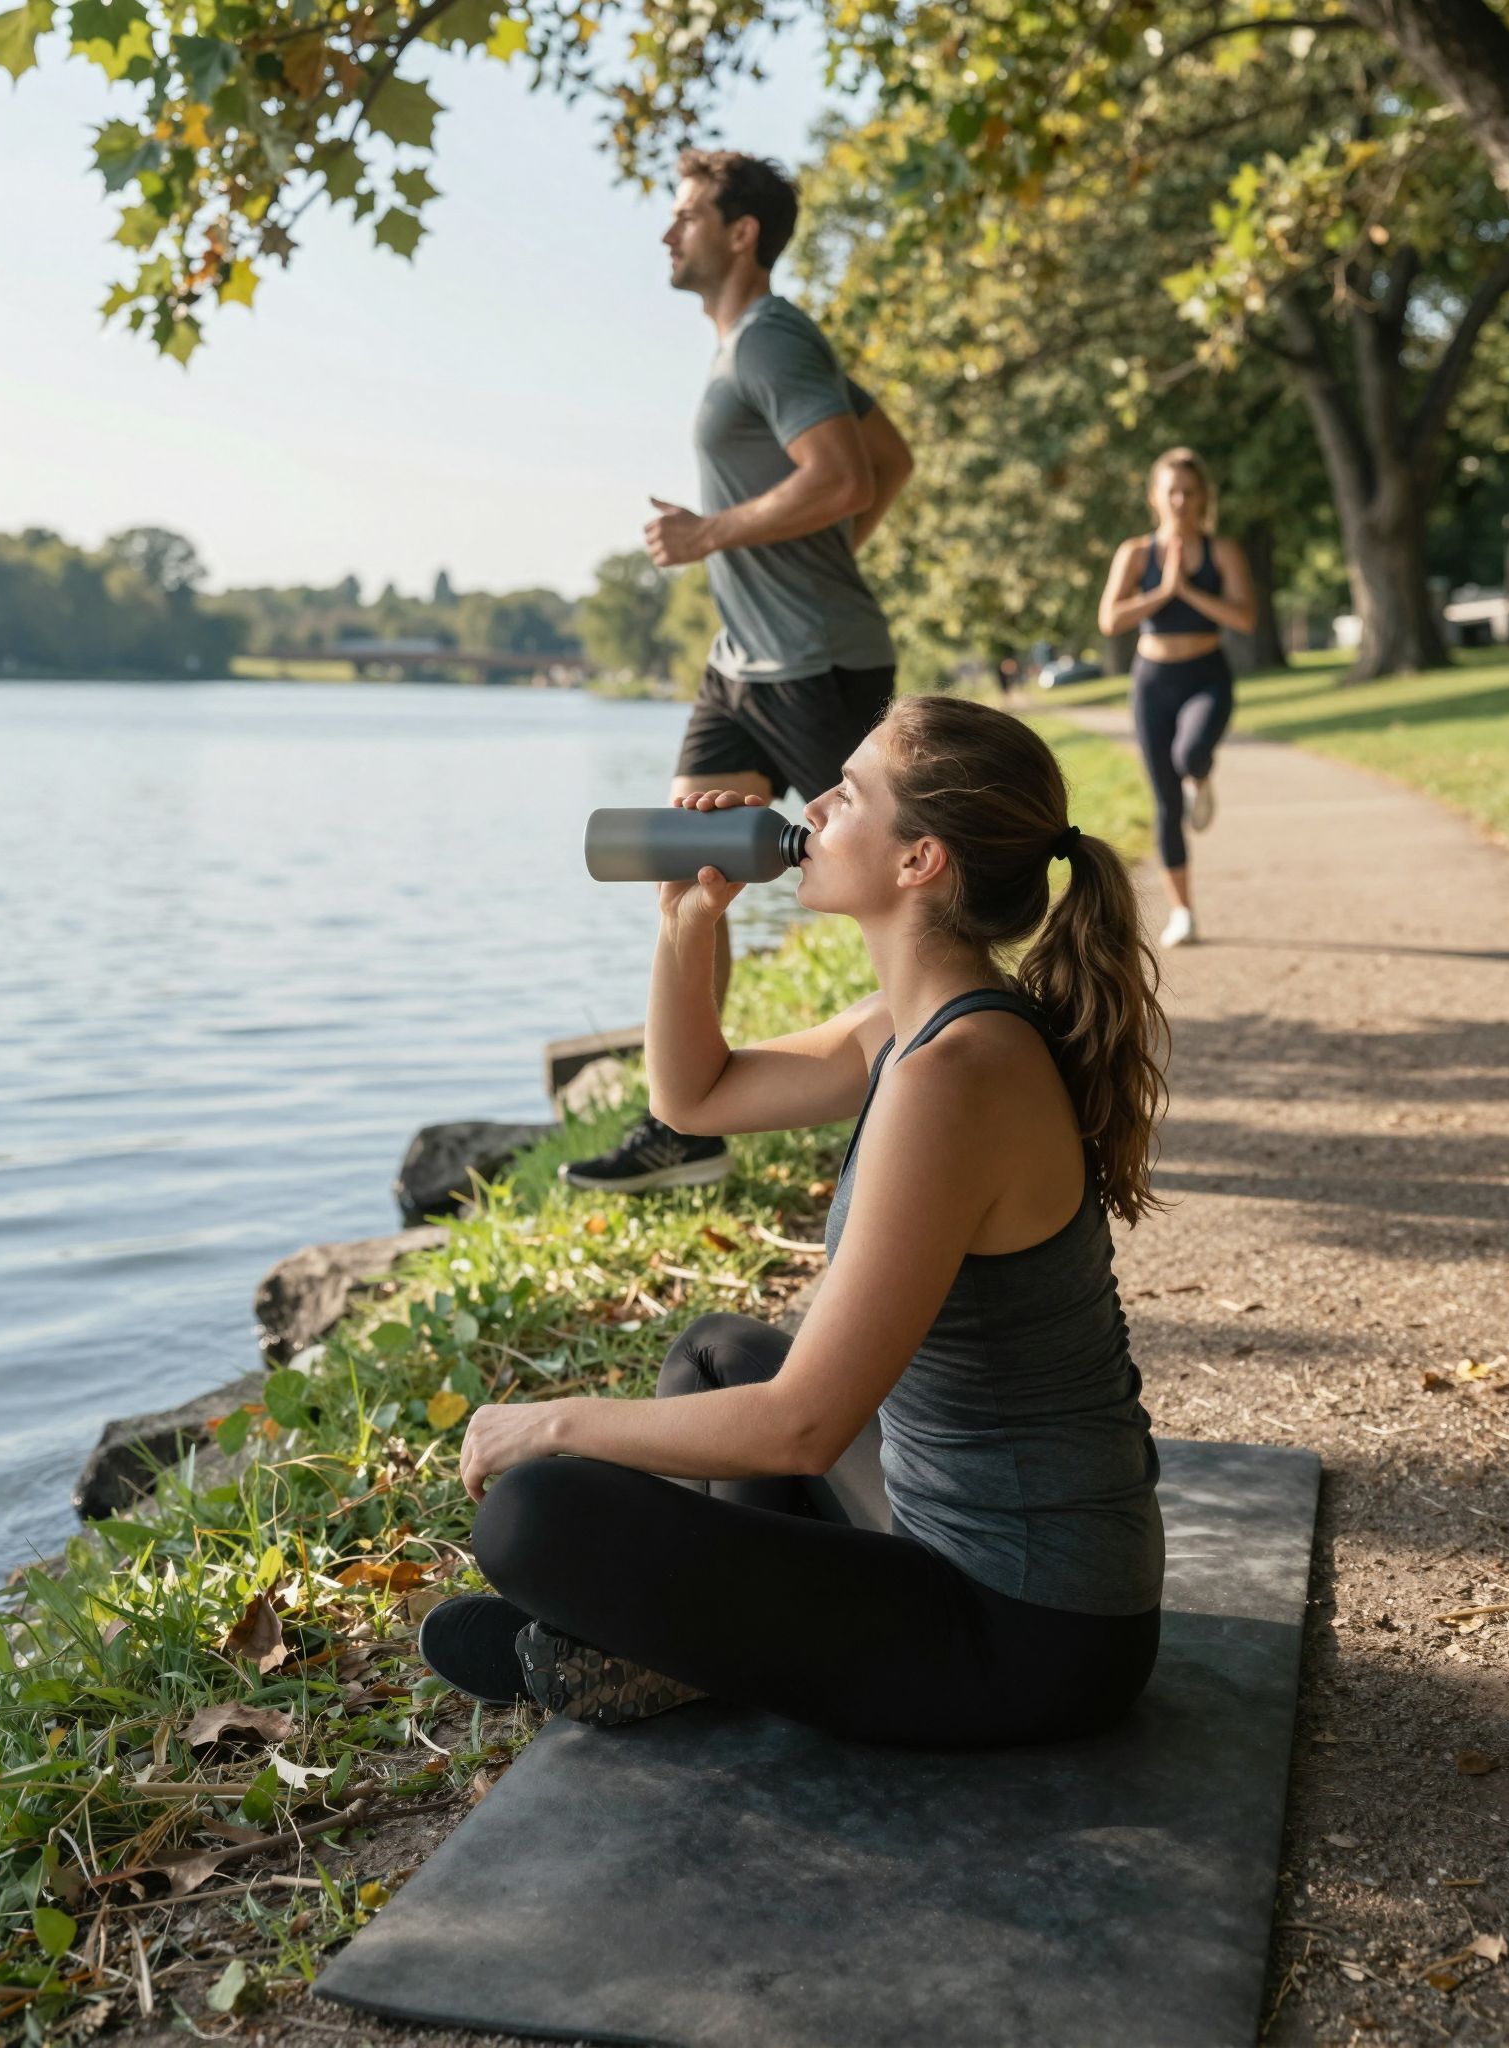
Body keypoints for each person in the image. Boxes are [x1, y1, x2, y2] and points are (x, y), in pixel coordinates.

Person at [417, 696, 1169, 1751]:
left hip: (1031, 1629)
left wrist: (550, 1422)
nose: (810, 806)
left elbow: (805, 1426)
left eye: (847, 793)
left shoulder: (956, 1077)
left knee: (531, 1513)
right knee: (716, 1352)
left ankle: (673, 1640)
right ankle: (684, 1637)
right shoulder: (914, 1026)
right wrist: (687, 921)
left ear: (919, 861)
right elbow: (693, 1098)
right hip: (941, 1524)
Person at [560, 148, 915, 1195]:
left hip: (816, 660)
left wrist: (712, 533)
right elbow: (888, 460)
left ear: (741, 231)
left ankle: (959, 1063)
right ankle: (686, 1120)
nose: (668, 233)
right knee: (687, 856)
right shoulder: (746, 349)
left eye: (685, 215)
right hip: (741, 665)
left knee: (900, 875)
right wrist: (812, 556)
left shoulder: (773, 338)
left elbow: (845, 476)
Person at [1098, 448, 1256, 948]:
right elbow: (1111, 620)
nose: (1181, 501)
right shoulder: (1135, 553)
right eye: (1172, 492)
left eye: (1190, 491)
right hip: (1152, 682)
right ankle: (1183, 912)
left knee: (1190, 754)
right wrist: (1163, 591)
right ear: (1155, 497)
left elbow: (1244, 618)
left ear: (1204, 497)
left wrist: (1187, 590)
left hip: (1207, 676)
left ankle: (1200, 776)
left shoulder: (1221, 551)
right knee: (1166, 801)